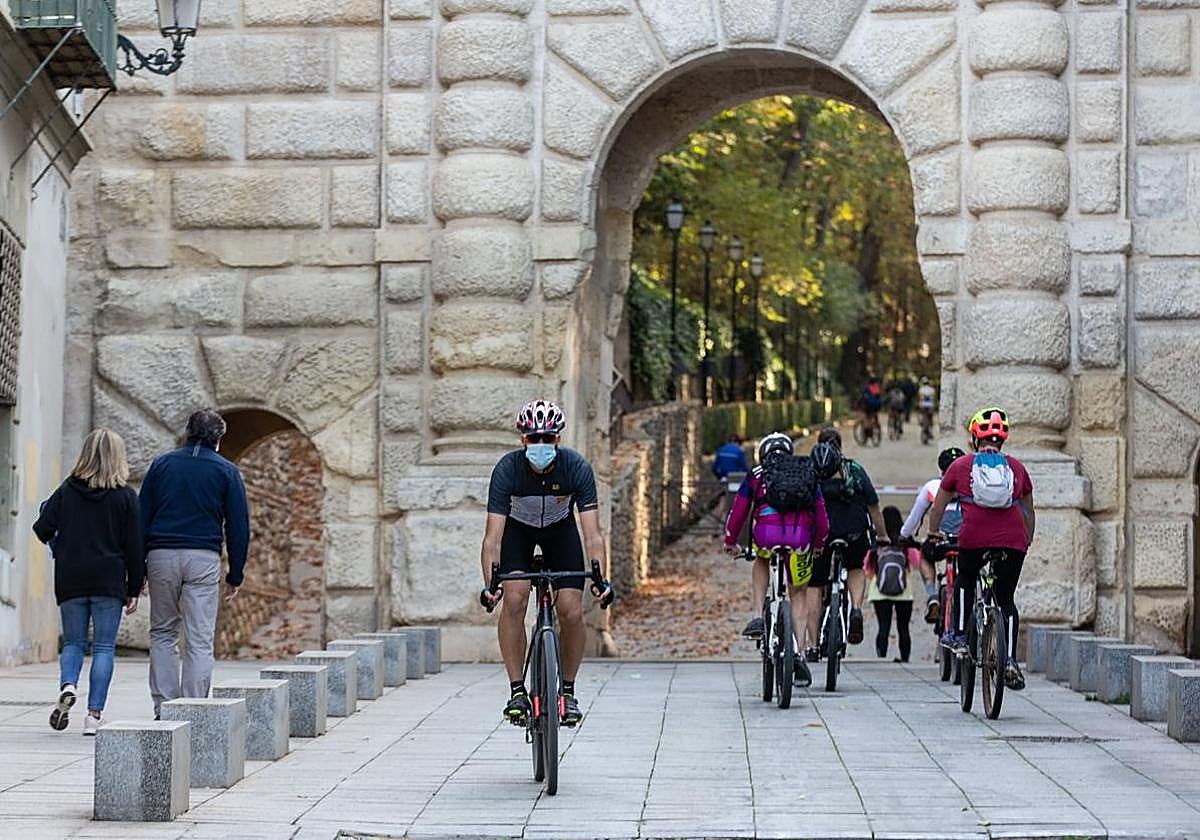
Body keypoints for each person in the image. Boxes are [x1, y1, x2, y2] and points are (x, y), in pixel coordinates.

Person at [480, 400, 606, 727]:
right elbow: (493, 539)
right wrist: (489, 585)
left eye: (547, 439)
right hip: (517, 534)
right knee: (516, 597)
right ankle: (518, 691)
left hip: (559, 532)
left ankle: (567, 690)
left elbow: (593, 534)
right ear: (523, 440)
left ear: (557, 440)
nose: (540, 445)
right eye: (533, 439)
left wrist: (600, 577)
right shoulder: (507, 470)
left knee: (572, 610)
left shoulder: (575, 467)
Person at [33, 430, 143, 735]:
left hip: (71, 577)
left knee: (73, 643)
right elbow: (135, 547)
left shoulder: (67, 490)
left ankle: (68, 685)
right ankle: (93, 717)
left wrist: (60, 545)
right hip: (108, 579)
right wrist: (134, 588)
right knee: (104, 647)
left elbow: (42, 527)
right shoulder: (125, 497)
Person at [141, 409, 250, 717]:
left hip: (161, 554)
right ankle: (193, 708)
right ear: (219, 439)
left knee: (162, 632)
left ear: (187, 433)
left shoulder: (162, 465)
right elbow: (238, 525)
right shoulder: (227, 471)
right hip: (203, 558)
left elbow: (141, 517)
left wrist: (136, 571)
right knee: (199, 636)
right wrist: (236, 573)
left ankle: (165, 706)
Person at [928, 407, 1035, 691]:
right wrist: (1027, 540)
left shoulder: (960, 466)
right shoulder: (1017, 468)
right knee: (1006, 599)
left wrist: (932, 532)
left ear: (975, 438)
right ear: (1002, 441)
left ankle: (961, 637)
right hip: (1012, 541)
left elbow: (938, 507)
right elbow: (1028, 511)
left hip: (973, 538)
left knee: (965, 577)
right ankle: (1010, 660)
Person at [724, 432, 829, 687]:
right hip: (800, 537)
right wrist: (817, 545)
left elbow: (739, 511)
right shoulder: (806, 471)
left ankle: (759, 614)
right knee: (799, 594)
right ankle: (800, 653)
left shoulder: (757, 474)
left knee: (761, 559)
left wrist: (730, 541)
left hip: (766, 535)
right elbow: (822, 517)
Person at [809, 429, 888, 658]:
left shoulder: (812, 468)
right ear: (840, 446)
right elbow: (873, 506)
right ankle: (855, 609)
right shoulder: (854, 469)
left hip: (821, 535)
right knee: (855, 567)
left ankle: (813, 646)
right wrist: (882, 536)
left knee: (815, 585)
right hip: (853, 531)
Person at [900, 446, 965, 622]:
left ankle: (932, 596)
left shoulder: (933, 487)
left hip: (940, 543)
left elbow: (914, 518)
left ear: (941, 469)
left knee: (924, 556)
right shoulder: (971, 486)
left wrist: (904, 536)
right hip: (966, 542)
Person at [865, 506, 921, 662]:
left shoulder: (878, 542)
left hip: (879, 591)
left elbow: (867, 568)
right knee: (903, 628)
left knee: (883, 626)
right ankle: (905, 659)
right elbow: (916, 562)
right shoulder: (904, 542)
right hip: (904, 591)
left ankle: (881, 658)